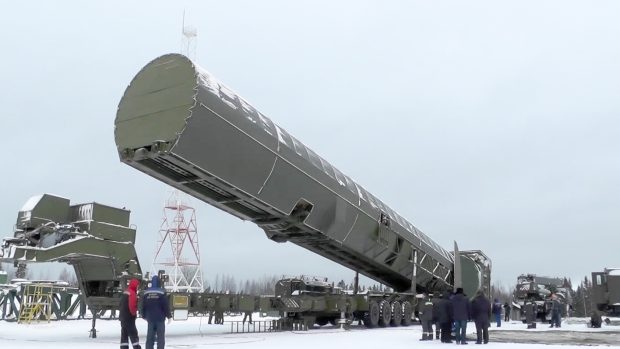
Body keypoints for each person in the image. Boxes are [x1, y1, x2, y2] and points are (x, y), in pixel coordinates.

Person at [142, 275, 172, 349]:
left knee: (150, 338)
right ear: (159, 282)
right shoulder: (161, 292)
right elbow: (165, 306)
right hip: (160, 319)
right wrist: (169, 316)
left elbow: (143, 305)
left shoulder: (146, 293)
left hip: (150, 319)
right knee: (160, 338)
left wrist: (143, 315)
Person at [120, 278, 141, 349]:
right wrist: (134, 313)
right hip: (129, 318)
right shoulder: (132, 293)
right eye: (137, 286)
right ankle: (136, 347)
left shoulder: (126, 292)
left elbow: (120, 304)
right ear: (135, 285)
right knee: (133, 333)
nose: (138, 287)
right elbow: (132, 305)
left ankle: (123, 347)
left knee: (124, 334)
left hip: (123, 317)